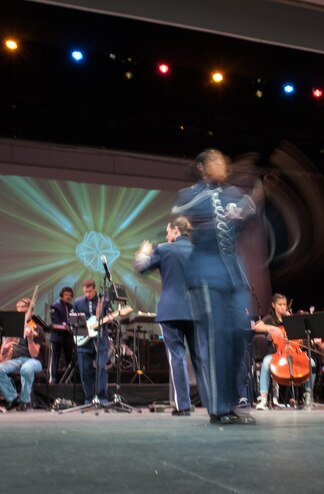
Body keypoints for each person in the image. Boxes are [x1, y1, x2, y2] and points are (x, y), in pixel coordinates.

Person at [171, 148, 258, 425]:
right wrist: (214, 202)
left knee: (237, 337)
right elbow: (181, 213)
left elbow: (248, 214)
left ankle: (230, 402)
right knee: (216, 339)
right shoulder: (189, 194)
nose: (224, 166)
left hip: (234, 276)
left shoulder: (234, 193)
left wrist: (246, 210)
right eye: (218, 161)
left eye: (225, 161)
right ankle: (219, 408)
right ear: (203, 167)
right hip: (207, 276)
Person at [135, 216, 205, 416]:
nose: (166, 235)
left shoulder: (164, 249)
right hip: (195, 310)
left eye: (167, 231)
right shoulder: (198, 251)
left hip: (171, 310)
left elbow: (141, 267)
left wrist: (143, 253)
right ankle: (212, 404)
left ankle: (183, 405)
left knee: (177, 357)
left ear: (175, 230)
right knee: (200, 358)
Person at [0, 297, 44, 411]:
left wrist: (30, 339)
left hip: (33, 361)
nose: (22, 312)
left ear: (31, 312)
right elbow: (2, 357)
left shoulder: (37, 329)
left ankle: (24, 401)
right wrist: (5, 349)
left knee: (26, 369)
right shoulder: (12, 328)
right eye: (19, 309)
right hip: (15, 360)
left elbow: (34, 354)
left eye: (25, 309)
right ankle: (13, 398)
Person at [72, 279, 112, 405]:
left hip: (100, 339)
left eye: (90, 291)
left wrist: (109, 319)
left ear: (95, 289)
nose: (87, 294)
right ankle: (89, 398)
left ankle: (102, 397)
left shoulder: (104, 301)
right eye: (85, 292)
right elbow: (73, 321)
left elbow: (109, 317)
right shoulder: (78, 303)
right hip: (84, 340)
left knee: (101, 369)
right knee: (85, 371)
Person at [48, 287, 75, 384]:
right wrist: (65, 325)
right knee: (54, 358)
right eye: (66, 294)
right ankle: (52, 379)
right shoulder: (55, 306)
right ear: (62, 295)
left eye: (69, 295)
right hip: (57, 336)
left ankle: (69, 380)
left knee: (70, 358)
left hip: (68, 337)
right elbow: (55, 321)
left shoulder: (72, 307)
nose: (68, 297)